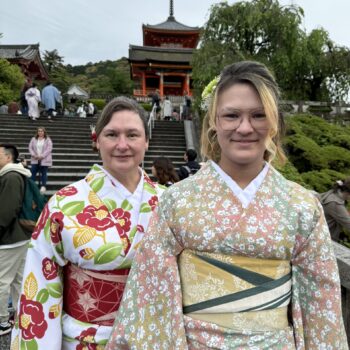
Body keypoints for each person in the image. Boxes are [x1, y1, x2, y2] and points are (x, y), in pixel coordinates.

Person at [106, 61, 348, 349]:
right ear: (214, 121)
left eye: (259, 115)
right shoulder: (177, 200)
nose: (244, 128)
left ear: (273, 122)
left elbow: (321, 308)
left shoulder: (302, 206)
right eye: (231, 115)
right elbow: (151, 296)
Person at [11, 97, 165, 349]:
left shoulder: (168, 202)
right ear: (97, 140)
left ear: (146, 141)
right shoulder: (64, 204)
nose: (122, 144)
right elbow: (40, 282)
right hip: (85, 341)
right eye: (112, 134)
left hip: (153, 336)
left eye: (133, 135)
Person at [0, 144, 31, 336]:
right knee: (19, 280)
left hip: (10, 238)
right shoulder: (16, 174)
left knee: (2, 280)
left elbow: (6, 210)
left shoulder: (11, 177)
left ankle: (3, 321)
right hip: (20, 236)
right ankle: (23, 315)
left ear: (8, 157)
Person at [28, 127, 53, 194]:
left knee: (43, 173)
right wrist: (34, 155)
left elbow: (49, 149)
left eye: (42, 131)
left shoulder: (48, 140)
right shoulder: (33, 139)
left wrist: (42, 156)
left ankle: (43, 186)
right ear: (37, 132)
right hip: (35, 159)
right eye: (39, 131)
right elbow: (30, 148)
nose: (40, 132)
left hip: (44, 159)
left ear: (44, 132)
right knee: (32, 173)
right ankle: (32, 186)